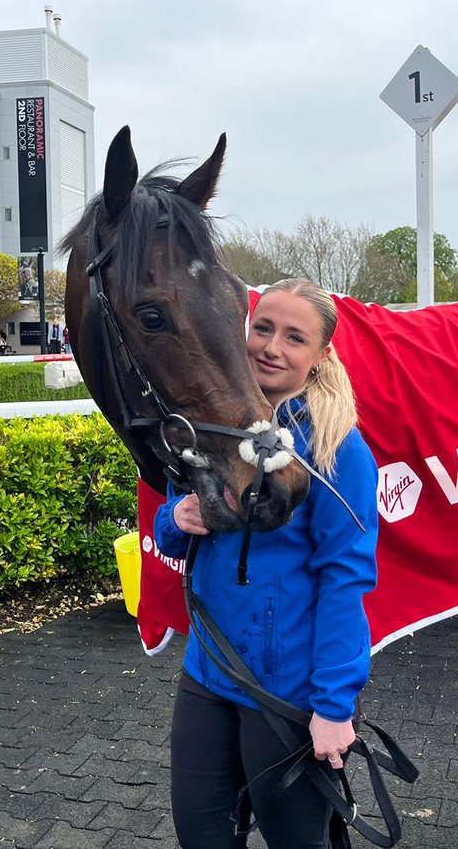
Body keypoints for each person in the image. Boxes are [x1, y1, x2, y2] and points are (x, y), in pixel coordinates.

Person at [153, 278, 380, 848]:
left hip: (287, 697)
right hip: (207, 674)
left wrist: (333, 707)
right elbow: (171, 530)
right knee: (201, 837)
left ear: (320, 357)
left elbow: (345, 582)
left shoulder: (338, 451)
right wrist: (175, 519)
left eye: (294, 337)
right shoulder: (209, 430)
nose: (272, 346)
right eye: (263, 328)